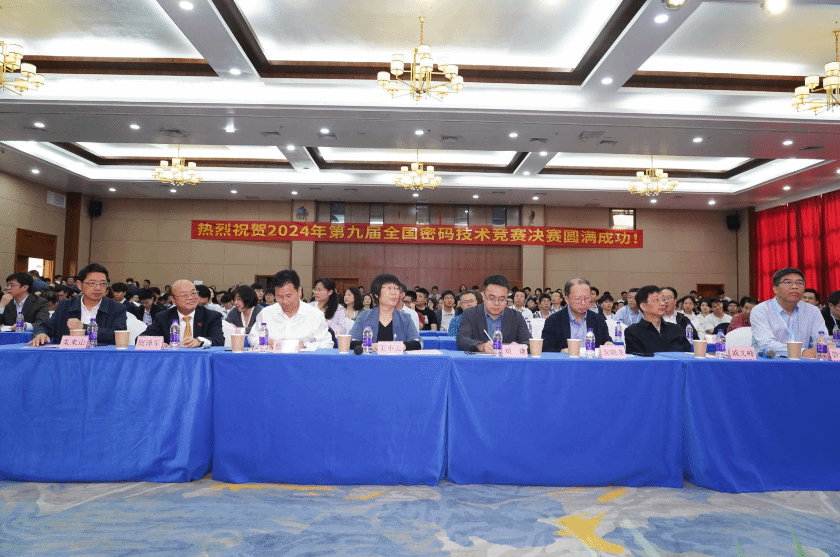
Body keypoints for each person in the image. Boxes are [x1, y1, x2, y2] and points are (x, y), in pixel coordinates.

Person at [31, 263, 127, 346]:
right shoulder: (65, 305)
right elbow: (47, 326)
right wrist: (41, 333)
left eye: (103, 283)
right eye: (92, 283)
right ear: (79, 285)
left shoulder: (117, 308)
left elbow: (117, 336)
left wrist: (84, 328)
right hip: (67, 357)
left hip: (101, 358)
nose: (98, 288)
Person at [248, 269, 333, 350]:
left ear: (299, 291)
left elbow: (327, 344)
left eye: (289, 296)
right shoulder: (266, 313)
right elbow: (252, 337)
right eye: (279, 296)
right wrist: (266, 342)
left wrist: (304, 345)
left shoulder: (315, 315)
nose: (285, 301)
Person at [751, 267, 825, 358]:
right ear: (775, 289)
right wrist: (803, 352)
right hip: (769, 361)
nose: (795, 287)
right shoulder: (761, 310)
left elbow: (822, 339)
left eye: (800, 283)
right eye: (788, 282)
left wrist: (825, 346)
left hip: (803, 363)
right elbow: (766, 344)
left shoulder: (812, 311)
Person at [456, 275, 530, 353]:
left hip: (507, 360)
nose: (496, 303)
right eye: (491, 299)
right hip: (479, 360)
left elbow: (528, 342)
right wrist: (481, 346)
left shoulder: (516, 316)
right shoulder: (470, 314)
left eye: (502, 299)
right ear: (483, 296)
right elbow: (462, 340)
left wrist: (521, 347)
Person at [139, 279, 224, 347]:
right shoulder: (163, 317)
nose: (190, 297)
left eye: (193, 293)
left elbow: (219, 341)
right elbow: (141, 339)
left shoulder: (211, 316)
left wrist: (199, 341)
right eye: (184, 295)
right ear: (172, 299)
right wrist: (157, 343)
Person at [349, 274, 421, 351]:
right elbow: (351, 341)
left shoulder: (405, 318)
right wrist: (368, 345)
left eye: (397, 288)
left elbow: (417, 342)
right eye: (389, 288)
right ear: (376, 294)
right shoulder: (364, 316)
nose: (394, 293)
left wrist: (403, 346)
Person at [542, 278, 612, 353]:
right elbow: (546, 350)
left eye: (587, 298)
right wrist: (561, 352)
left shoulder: (599, 320)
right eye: (578, 299)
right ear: (567, 299)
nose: (583, 302)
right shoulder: (553, 321)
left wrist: (608, 344)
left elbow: (606, 340)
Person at [624, 285, 692, 354]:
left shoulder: (676, 329)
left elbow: (688, 356)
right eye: (656, 300)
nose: (663, 303)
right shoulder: (633, 332)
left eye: (663, 300)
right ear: (643, 306)